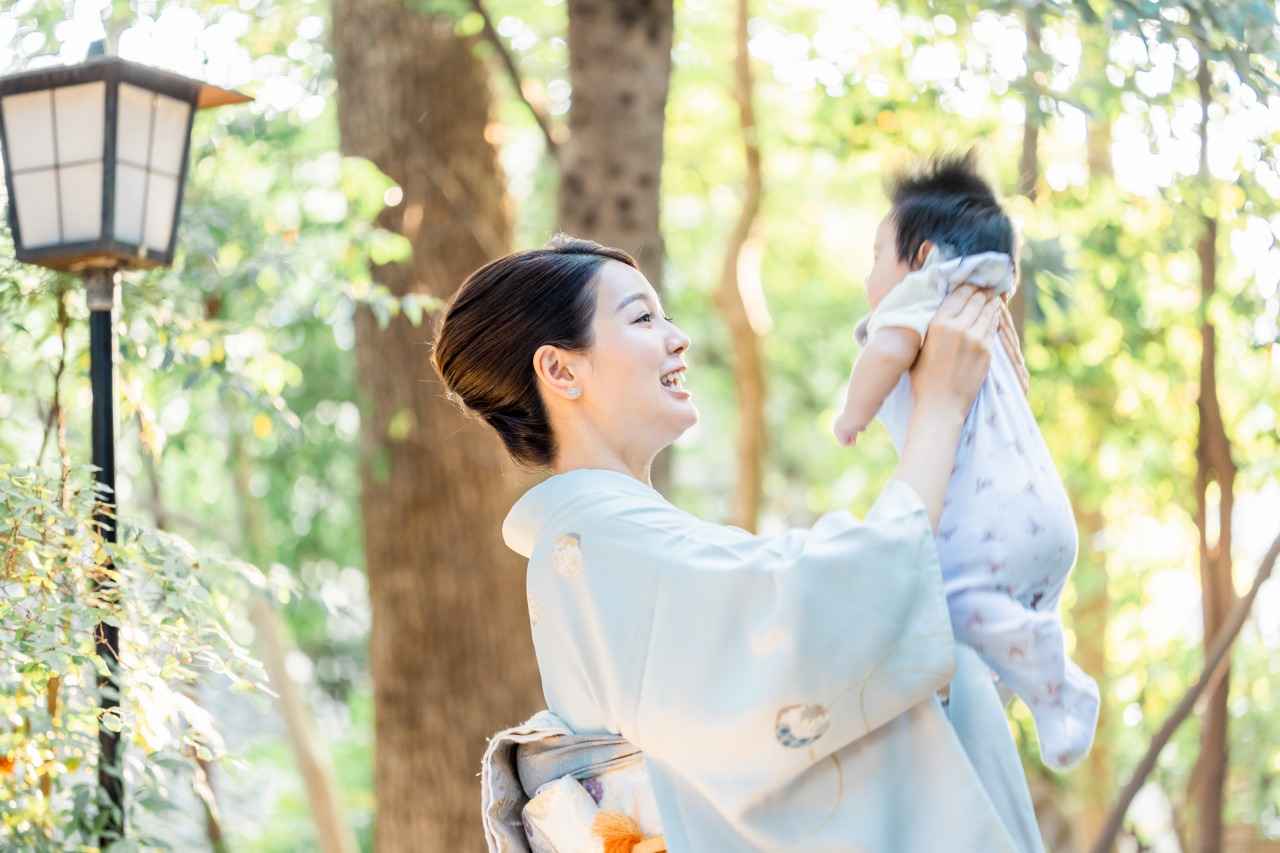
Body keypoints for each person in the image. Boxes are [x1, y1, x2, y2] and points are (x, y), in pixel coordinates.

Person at [433, 234, 1045, 852]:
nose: (679, 338)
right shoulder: (600, 541)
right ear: (561, 370)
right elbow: (831, 620)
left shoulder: (606, 538)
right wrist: (940, 409)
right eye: (643, 319)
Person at [833, 151, 1099, 771]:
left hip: (993, 530)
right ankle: (1041, 691)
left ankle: (1060, 685)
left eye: (877, 256)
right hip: (1039, 518)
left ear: (924, 257)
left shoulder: (923, 297)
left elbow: (885, 351)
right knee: (971, 638)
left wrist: (852, 415)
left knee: (932, 599)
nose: (869, 276)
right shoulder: (983, 313)